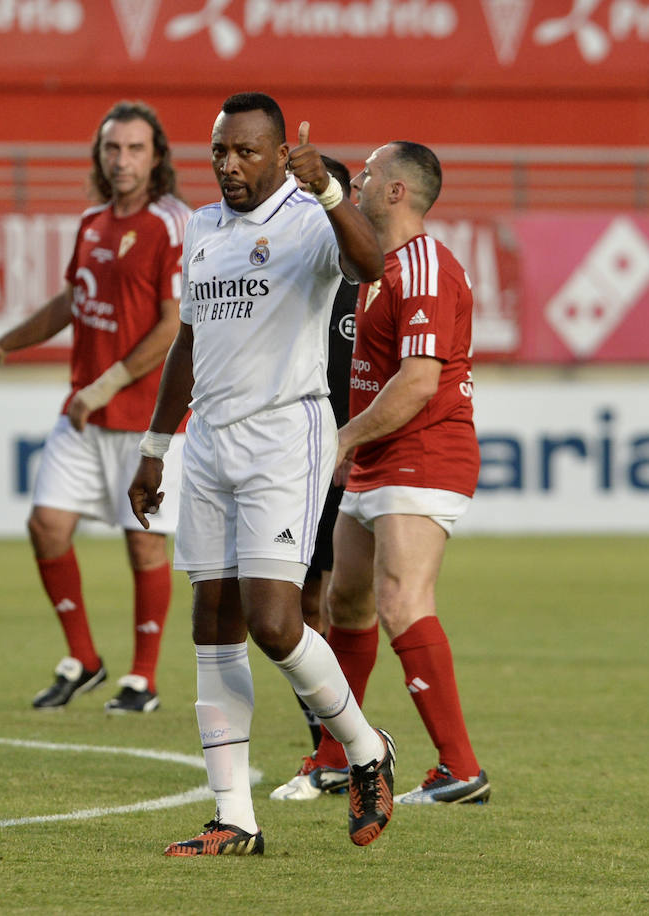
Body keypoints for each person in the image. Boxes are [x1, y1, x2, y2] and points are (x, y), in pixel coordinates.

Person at [128, 92, 396, 853]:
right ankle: (234, 818)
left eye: (246, 151)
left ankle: (365, 748)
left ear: (281, 154)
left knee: (275, 623)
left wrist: (331, 189)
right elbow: (188, 342)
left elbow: (369, 263)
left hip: (284, 435)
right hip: (209, 441)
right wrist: (155, 446)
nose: (229, 165)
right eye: (220, 150)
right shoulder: (202, 228)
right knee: (212, 622)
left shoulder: (311, 218)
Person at [0, 100, 190, 714]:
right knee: (47, 526)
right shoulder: (92, 223)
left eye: (135, 149)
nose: (122, 160)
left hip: (149, 417)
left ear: (157, 158)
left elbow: (174, 324)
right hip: (86, 412)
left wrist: (107, 384)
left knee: (144, 542)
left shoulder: (174, 223)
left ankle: (142, 678)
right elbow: (72, 301)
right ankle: (84, 658)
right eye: (113, 148)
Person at [300, 140, 491, 806]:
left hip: (424, 450)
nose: (358, 182)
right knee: (344, 603)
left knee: (401, 601)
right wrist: (355, 448)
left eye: (369, 174)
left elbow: (416, 384)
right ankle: (336, 757)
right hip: (377, 457)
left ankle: (459, 768)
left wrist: (341, 440)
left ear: (397, 191)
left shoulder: (428, 265)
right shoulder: (376, 267)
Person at [269, 155, 360, 801]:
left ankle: (343, 751)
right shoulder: (280, 275)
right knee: (296, 606)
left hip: (350, 461)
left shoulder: (366, 276)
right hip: (296, 456)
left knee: (343, 604)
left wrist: (358, 442)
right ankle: (326, 745)